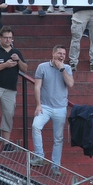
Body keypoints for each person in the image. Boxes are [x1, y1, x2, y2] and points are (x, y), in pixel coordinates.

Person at [30, 44, 74, 176]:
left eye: (64, 55)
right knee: (35, 126)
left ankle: (55, 166)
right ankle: (39, 156)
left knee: (58, 138)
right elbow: (37, 87)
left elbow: (70, 84)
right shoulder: (42, 67)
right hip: (45, 106)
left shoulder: (67, 68)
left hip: (60, 108)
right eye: (59, 53)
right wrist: (38, 104)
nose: (62, 56)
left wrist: (62, 70)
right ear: (53, 53)